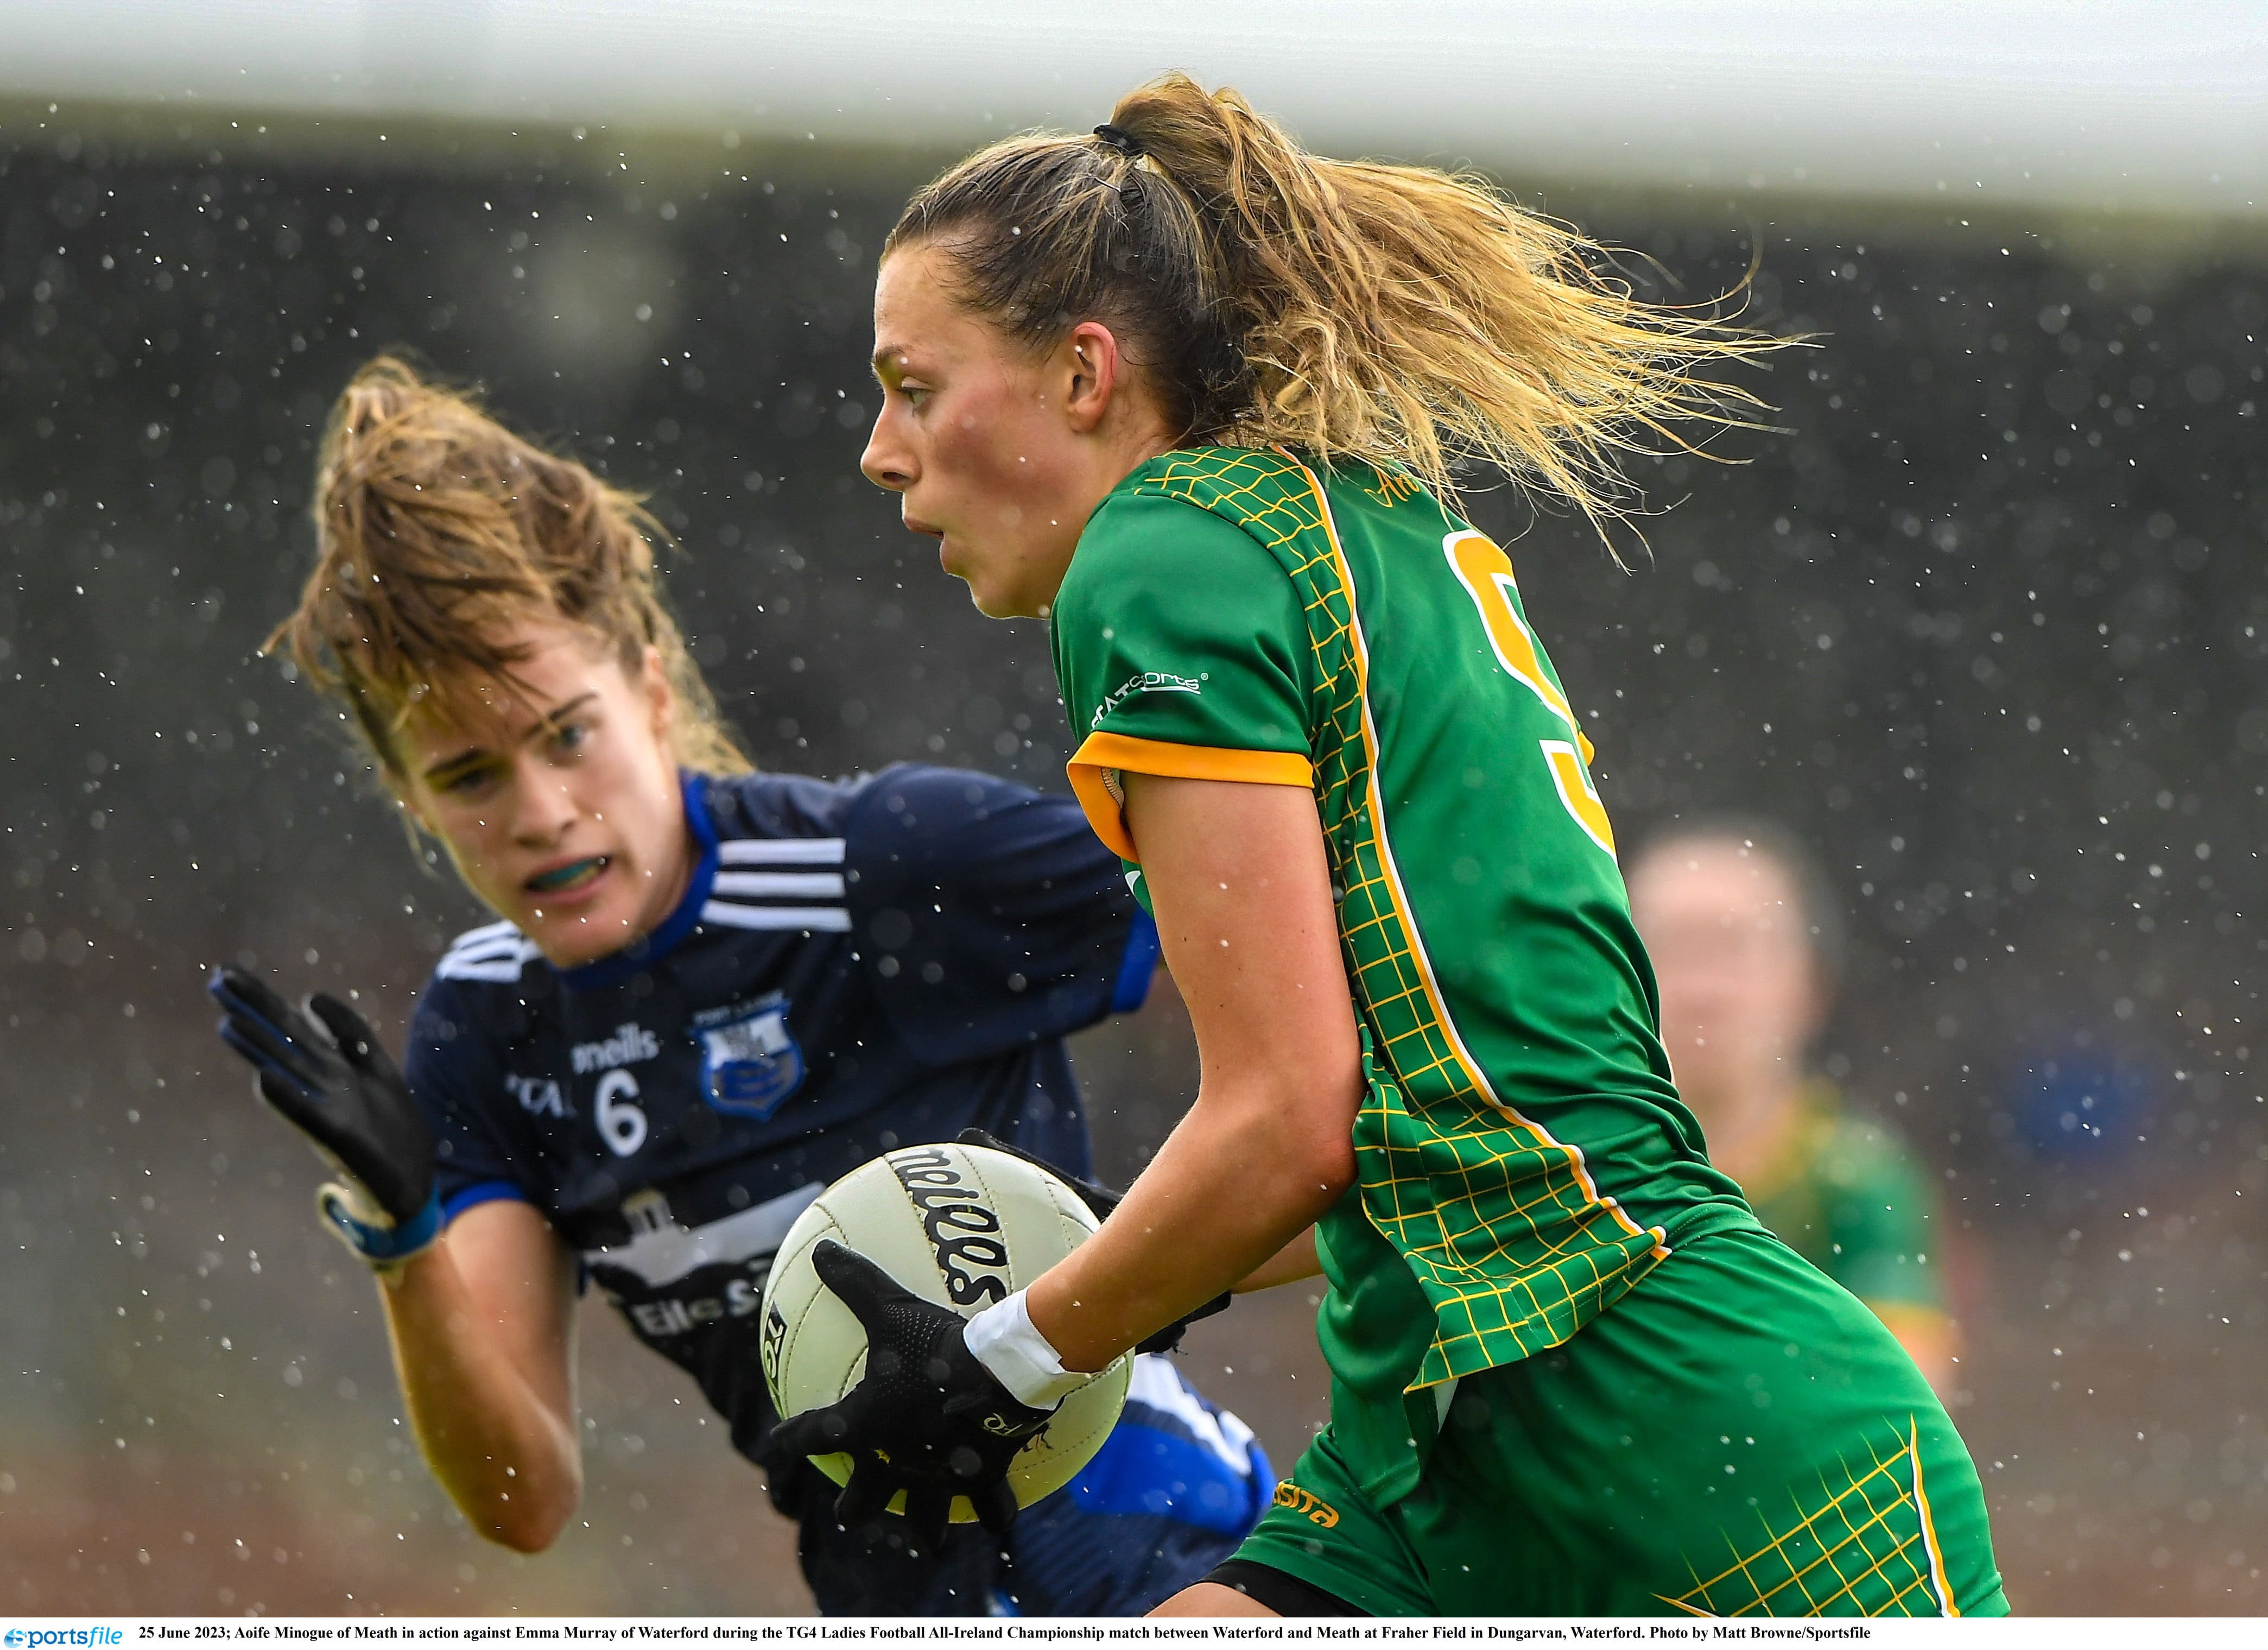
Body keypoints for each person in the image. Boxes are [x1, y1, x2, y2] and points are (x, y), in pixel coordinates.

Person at [774, 75, 2009, 1617]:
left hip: (1663, 1427)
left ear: (1084, 372)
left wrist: (1014, 1350)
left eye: (911, 383)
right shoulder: (1355, 517)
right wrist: (1107, 1273)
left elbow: (1294, 1116)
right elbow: (1387, 1139)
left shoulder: (1159, 551)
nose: (883, 451)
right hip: (1463, 1435)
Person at [205, 357, 1270, 1616]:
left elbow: (1304, 1007)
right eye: (470, 777)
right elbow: (522, 1499)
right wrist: (401, 1244)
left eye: (565, 735)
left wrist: (1138, 1269)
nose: (542, 815)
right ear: (409, 800)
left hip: (1168, 1556)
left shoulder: (884, 867)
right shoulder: (487, 1033)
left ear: (648, 688)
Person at [1625, 820, 1959, 1393]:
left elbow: (1901, 1392)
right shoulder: (1563, 1159)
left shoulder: (1854, 1180)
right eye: (1674, 948)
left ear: (1807, 986)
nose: (1703, 991)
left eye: (1731, 948)